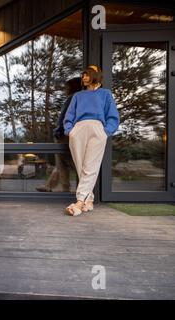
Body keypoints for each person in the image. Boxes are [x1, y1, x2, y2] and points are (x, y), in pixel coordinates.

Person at [64, 65, 120, 216]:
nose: (84, 78)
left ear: (95, 75)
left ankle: (79, 202)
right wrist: (70, 131)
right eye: (83, 75)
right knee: (82, 167)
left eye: (87, 75)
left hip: (97, 129)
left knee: (90, 166)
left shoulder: (105, 94)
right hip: (78, 130)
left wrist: (105, 132)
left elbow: (113, 116)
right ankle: (89, 199)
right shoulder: (78, 96)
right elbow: (68, 116)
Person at [36, 77, 82, 192]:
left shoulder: (72, 98)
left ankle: (66, 189)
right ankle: (49, 186)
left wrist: (58, 131)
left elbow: (64, 117)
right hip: (76, 134)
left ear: (72, 87)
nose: (65, 89)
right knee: (63, 162)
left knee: (63, 163)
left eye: (67, 87)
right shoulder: (83, 99)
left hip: (65, 135)